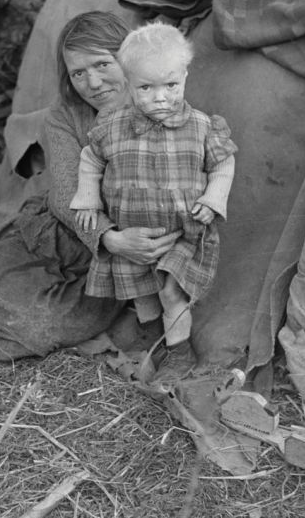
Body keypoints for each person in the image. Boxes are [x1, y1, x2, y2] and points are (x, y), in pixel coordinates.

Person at [0, 11, 182, 359]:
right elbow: (65, 196)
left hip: (112, 262)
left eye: (103, 64)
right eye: (78, 73)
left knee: (40, 325)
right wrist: (110, 238)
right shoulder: (65, 116)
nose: (93, 83)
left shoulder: (161, 105)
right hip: (67, 235)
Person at [70, 21, 237, 380]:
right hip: (131, 231)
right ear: (129, 85)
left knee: (170, 293)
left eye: (170, 85)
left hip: (181, 233)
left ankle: (179, 353)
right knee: (141, 293)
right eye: (146, 88)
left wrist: (213, 196)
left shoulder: (202, 127)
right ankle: (153, 339)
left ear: (185, 78)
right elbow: (91, 159)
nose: (160, 97)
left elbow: (223, 162)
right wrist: (87, 199)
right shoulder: (112, 126)